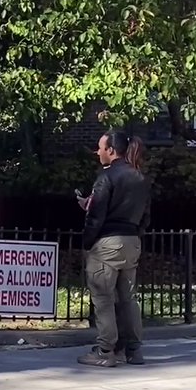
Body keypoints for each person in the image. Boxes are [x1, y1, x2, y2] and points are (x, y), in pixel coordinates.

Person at [77, 130, 151, 368]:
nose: (97, 152)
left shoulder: (106, 177)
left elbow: (96, 216)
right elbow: (146, 216)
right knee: (128, 299)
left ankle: (105, 350)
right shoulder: (140, 177)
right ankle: (133, 349)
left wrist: (88, 242)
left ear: (111, 150)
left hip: (107, 242)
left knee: (103, 298)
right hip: (132, 242)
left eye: (100, 147)